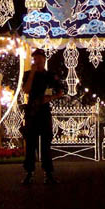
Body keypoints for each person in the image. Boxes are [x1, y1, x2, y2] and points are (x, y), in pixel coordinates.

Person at [20, 48, 64, 185]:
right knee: (30, 143)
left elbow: (60, 92)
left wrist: (50, 98)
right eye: (35, 59)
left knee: (46, 144)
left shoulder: (50, 75)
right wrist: (32, 73)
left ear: (44, 60)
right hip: (32, 111)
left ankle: (48, 173)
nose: (37, 61)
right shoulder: (28, 74)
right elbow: (26, 90)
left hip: (44, 110)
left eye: (39, 58)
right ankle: (29, 173)